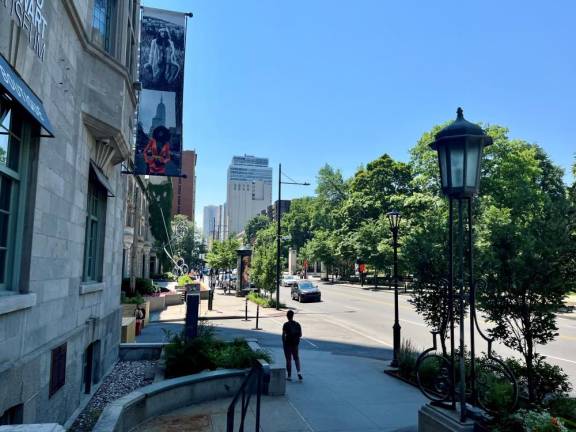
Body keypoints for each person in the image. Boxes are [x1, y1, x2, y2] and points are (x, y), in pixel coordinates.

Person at [282, 310, 303, 381]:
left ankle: (289, 376)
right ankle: (299, 372)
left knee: (288, 360)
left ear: (287, 316)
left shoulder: (286, 324)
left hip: (287, 344)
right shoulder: (297, 324)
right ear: (293, 316)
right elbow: (300, 335)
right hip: (295, 344)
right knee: (296, 358)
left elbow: (283, 335)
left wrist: (284, 343)